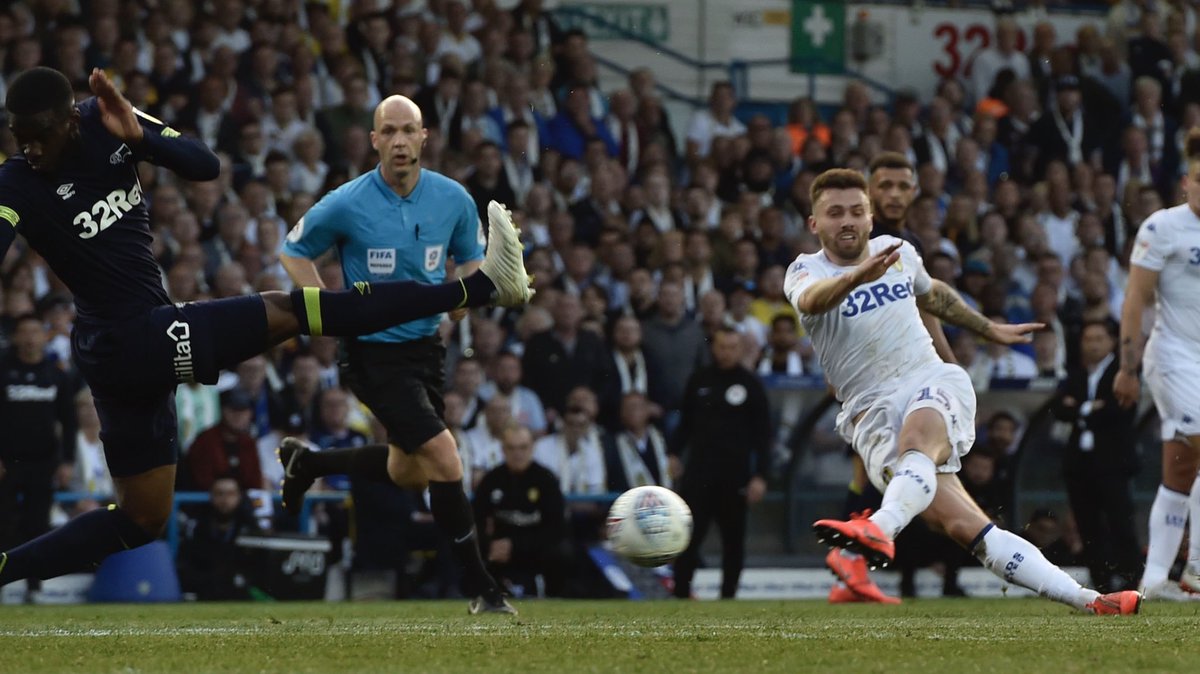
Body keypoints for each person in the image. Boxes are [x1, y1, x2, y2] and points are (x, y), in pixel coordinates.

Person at [0, 68, 533, 596]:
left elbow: (204, 165)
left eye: (40, 136)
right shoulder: (15, 181)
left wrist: (141, 137)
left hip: (130, 349)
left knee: (143, 519)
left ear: (70, 119)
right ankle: (480, 289)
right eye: (20, 139)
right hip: (127, 339)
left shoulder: (103, 119)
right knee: (297, 308)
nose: (31, 150)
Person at [787, 168, 1139, 615]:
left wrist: (988, 328)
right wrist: (855, 279)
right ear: (815, 224)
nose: (848, 221)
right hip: (869, 414)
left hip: (927, 379)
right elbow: (812, 300)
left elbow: (933, 295)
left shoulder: (897, 254)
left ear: (871, 216)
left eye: (857, 210)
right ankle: (1090, 600)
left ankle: (879, 527)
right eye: (835, 213)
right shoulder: (804, 270)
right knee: (966, 526)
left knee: (918, 441)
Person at [276, 93, 522, 614]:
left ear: (425, 137)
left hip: (426, 352)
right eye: (388, 132)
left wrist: (491, 288)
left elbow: (467, 282)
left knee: (410, 471)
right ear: (373, 142)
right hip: (371, 354)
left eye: (408, 130)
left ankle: (310, 462)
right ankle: (482, 587)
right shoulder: (347, 201)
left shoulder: (453, 199)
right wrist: (327, 314)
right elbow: (293, 251)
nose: (400, 141)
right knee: (444, 456)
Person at [1114, 128, 1200, 601]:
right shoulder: (1161, 228)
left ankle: (1156, 579)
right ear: (1187, 181)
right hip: (1172, 356)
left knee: (1182, 471)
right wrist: (1127, 367)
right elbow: (1136, 300)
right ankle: (1197, 572)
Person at [671, 327, 770, 600]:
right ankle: (680, 592)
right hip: (699, 475)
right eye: (722, 346)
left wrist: (760, 475)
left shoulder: (750, 385)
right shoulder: (699, 380)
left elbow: (763, 436)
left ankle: (729, 596)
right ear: (713, 348)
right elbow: (685, 425)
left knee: (733, 540)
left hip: (735, 477)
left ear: (740, 349)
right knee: (688, 537)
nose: (726, 352)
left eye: (732, 347)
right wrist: (673, 453)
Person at [1051, 319, 1141, 593]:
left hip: (1112, 462)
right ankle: (1100, 581)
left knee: (1119, 521)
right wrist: (1093, 408)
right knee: (1087, 525)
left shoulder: (1123, 373)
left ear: (1113, 341)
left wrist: (1079, 409)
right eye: (1087, 339)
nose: (1092, 344)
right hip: (1079, 464)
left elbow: (1120, 410)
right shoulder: (1075, 373)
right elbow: (1058, 408)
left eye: (1098, 338)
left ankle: (1131, 579)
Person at [0, 313, 77, 586]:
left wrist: (67, 461)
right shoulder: (3, 370)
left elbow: (69, 422)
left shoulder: (56, 375)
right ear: (16, 336)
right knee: (4, 523)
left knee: (38, 525)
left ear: (45, 336)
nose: (31, 338)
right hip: (7, 463)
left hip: (44, 462)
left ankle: (35, 586)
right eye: (25, 332)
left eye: (36, 332)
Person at [473, 424, 570, 597]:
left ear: (532, 448)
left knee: (563, 551)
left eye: (523, 447)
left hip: (534, 549)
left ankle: (557, 597)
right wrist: (489, 545)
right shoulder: (491, 480)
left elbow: (556, 528)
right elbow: (477, 521)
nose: (517, 453)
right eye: (511, 448)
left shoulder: (546, 480)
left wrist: (516, 546)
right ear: (503, 450)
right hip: (497, 550)